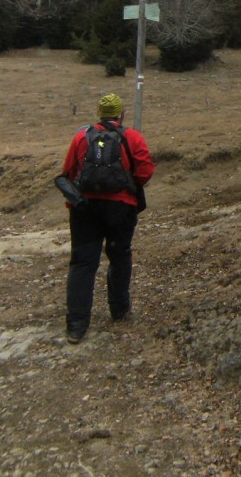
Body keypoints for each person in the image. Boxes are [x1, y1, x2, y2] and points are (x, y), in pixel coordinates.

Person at [60, 93, 155, 344]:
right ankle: (119, 309)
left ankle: (77, 325)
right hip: (121, 208)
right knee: (120, 256)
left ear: (99, 114)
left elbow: (69, 172)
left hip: (85, 209)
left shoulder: (82, 136)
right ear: (121, 114)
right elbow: (145, 171)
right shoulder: (132, 137)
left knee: (82, 264)